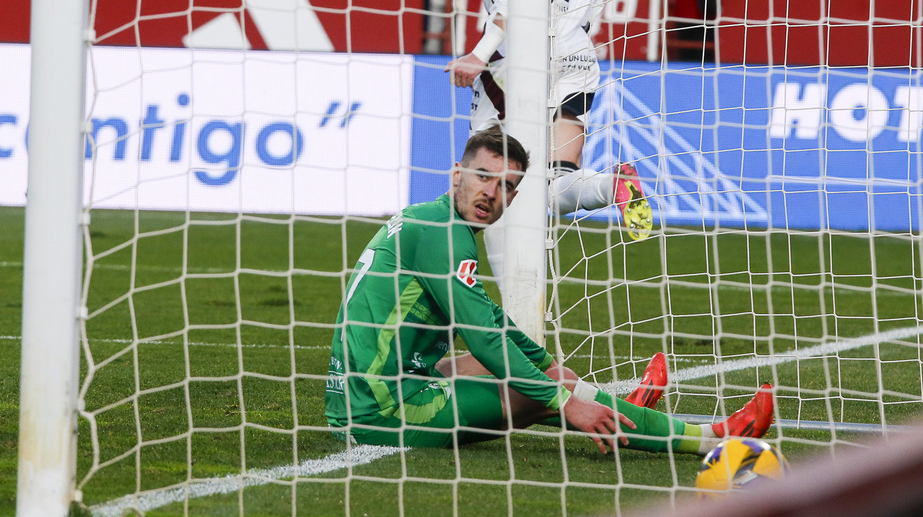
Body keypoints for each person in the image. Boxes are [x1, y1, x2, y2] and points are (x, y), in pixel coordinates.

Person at [324, 128, 775, 450]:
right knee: (541, 394)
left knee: (541, 372)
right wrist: (564, 399)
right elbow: (482, 335)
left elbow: (493, 321)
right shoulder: (444, 235)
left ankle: (628, 409)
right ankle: (707, 438)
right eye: (483, 176)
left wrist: (550, 365)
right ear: (457, 173)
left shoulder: (431, 218)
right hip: (380, 410)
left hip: (376, 384)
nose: (490, 193)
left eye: (506, 186)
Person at [427, 0, 653, 291]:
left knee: (480, 180)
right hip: (573, 48)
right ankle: (614, 185)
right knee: (553, 183)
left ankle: (505, 313)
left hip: (522, 58)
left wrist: (481, 52)